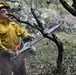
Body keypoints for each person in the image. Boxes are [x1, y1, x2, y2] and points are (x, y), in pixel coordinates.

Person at [0, 2, 31, 75]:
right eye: (3, 11)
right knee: (6, 73)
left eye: (6, 11)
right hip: (4, 55)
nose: (6, 12)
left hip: (17, 52)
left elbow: (22, 31)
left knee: (21, 72)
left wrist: (27, 35)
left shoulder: (13, 25)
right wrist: (6, 50)